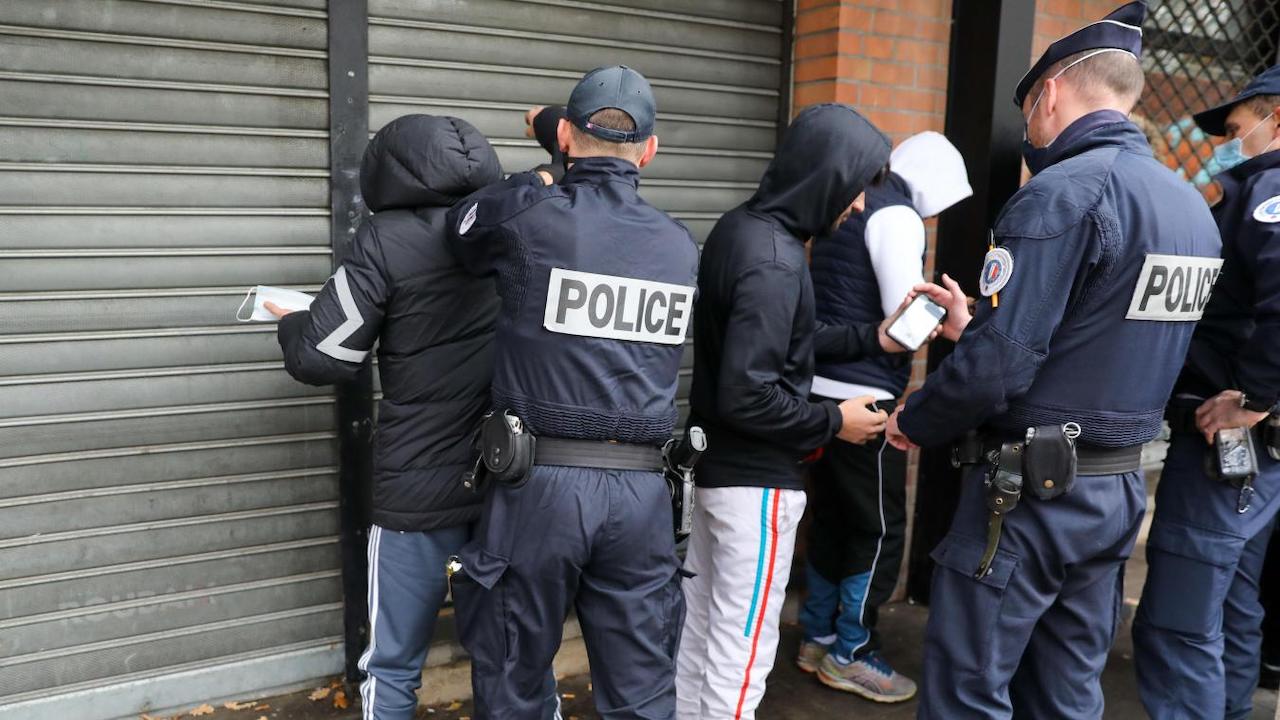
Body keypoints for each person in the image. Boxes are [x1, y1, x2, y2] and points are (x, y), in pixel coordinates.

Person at [884, 2, 1223, 717]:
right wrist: (980, 325)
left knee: (968, 693)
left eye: (1030, 109)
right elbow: (1105, 333)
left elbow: (1001, 366)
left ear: (1051, 92)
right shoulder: (1191, 210)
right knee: (1067, 692)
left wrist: (918, 417)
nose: (1031, 131)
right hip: (1114, 491)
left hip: (1028, 500)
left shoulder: (1059, 195)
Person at [676, 103, 950, 720]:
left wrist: (872, 338)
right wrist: (836, 421)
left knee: (699, 637)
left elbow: (783, 341)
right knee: (741, 655)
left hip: (716, 473)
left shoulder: (740, 231)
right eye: (853, 191)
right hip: (755, 488)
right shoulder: (775, 261)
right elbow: (748, 394)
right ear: (825, 177)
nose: (856, 207)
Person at [444, 66, 699, 720]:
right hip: (642, 497)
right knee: (642, 699)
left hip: (540, 492)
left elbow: (462, 235)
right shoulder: (678, 247)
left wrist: (535, 176)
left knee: (513, 688)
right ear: (650, 151)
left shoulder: (532, 219)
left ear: (563, 135)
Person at [270, 115, 512, 720]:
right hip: (511, 485)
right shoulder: (521, 230)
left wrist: (291, 320)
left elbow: (323, 356)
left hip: (415, 494)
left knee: (393, 664)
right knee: (514, 661)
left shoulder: (386, 240)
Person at [797, 130, 972, 702]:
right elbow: (902, 325)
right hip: (864, 402)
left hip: (818, 395)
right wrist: (950, 321)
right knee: (878, 530)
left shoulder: (849, 204)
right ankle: (852, 652)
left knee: (832, 519)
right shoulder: (897, 217)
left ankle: (818, 636)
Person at [1132, 63, 1280, 720]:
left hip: (1227, 448)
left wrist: (1252, 397)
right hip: (1252, 464)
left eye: (1236, 126)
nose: (1227, 141)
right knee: (1233, 612)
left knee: (1178, 627)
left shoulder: (1272, 189)